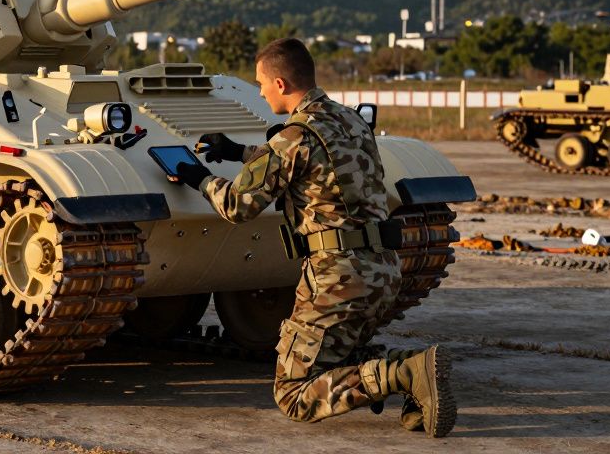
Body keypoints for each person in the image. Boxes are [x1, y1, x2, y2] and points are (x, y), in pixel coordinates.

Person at [171, 37, 455, 437]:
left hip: (337, 278)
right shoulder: (350, 120)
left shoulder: (294, 136)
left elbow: (238, 206)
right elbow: (318, 161)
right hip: (383, 270)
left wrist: (198, 178)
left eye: (262, 84)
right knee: (337, 357)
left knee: (293, 395)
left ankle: (405, 372)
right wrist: (239, 152)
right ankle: (411, 370)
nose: (261, 92)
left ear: (281, 84)